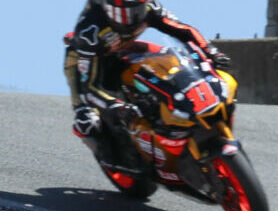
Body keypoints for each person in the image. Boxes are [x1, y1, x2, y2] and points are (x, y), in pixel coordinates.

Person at [64, 1, 228, 163]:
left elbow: (184, 30)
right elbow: (88, 87)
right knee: (88, 120)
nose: (131, 18)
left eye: (136, 9)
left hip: (124, 47)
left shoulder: (151, 8)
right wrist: (117, 107)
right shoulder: (90, 33)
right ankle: (107, 153)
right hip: (85, 61)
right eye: (122, 12)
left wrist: (212, 51)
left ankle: (172, 115)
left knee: (170, 59)